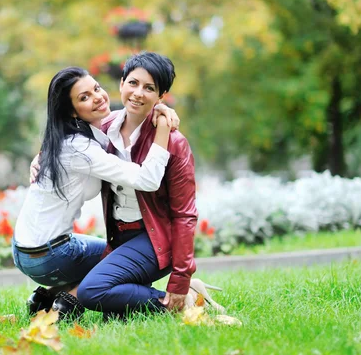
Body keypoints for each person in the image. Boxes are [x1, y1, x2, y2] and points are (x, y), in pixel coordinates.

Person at [13, 66, 179, 320]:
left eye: (97, 88)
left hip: (25, 249)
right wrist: (163, 129)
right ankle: (169, 301)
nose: (98, 97)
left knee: (115, 261)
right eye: (84, 97)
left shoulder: (65, 140)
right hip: (50, 255)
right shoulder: (80, 149)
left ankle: (49, 298)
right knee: (120, 261)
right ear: (71, 111)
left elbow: (125, 118)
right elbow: (147, 179)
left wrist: (159, 108)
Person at [76, 52, 224, 320]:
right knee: (115, 311)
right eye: (133, 83)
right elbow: (66, 138)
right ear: (121, 84)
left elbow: (184, 214)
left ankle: (183, 299)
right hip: (119, 237)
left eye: (150, 88)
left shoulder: (174, 142)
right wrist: (40, 157)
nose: (138, 93)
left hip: (155, 240)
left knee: (91, 292)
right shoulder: (102, 129)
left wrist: (180, 279)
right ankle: (181, 292)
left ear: (161, 96)